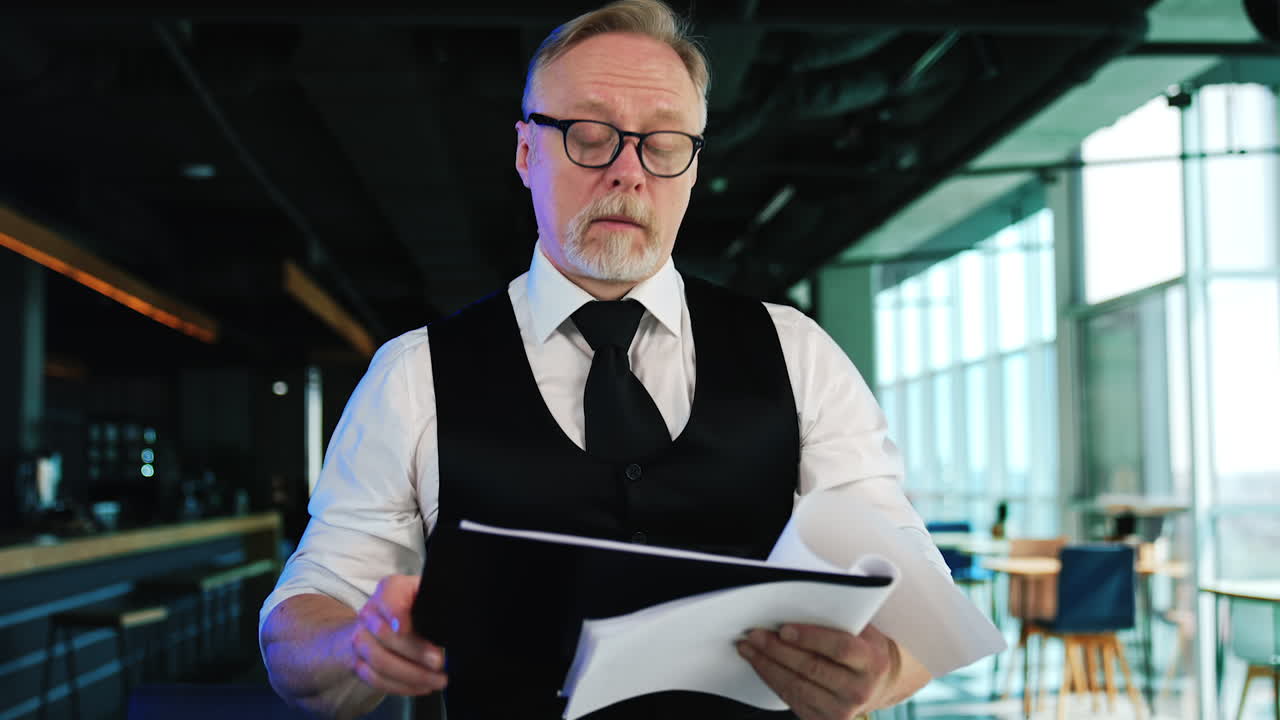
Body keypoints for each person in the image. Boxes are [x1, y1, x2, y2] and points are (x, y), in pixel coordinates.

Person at [259, 1, 951, 718]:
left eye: (662, 143)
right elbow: (298, 630)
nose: (628, 172)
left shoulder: (796, 354)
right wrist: (353, 645)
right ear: (527, 151)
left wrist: (886, 669)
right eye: (590, 136)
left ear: (692, 167)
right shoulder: (414, 376)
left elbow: (916, 594)